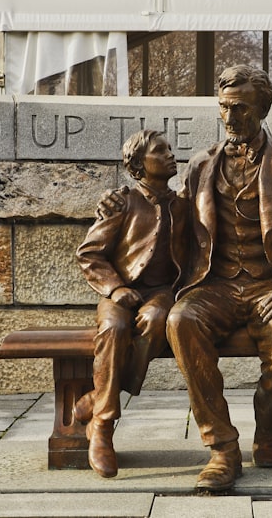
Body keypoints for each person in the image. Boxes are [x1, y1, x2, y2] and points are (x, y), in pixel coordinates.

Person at [167, 64, 272, 492]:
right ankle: (223, 449)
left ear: (263, 108)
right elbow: (171, 225)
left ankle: (267, 415)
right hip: (217, 287)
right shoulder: (200, 165)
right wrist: (131, 203)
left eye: (241, 109)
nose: (230, 118)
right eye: (224, 108)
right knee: (180, 320)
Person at [75, 129, 187, 478]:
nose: (170, 154)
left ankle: (97, 401)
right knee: (113, 327)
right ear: (139, 165)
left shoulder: (184, 204)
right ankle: (104, 429)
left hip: (162, 292)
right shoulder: (122, 201)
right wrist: (114, 288)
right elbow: (89, 253)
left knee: (156, 320)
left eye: (170, 149)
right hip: (121, 291)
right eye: (160, 151)